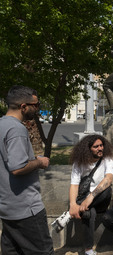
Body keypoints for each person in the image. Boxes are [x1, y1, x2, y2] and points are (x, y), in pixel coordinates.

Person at [0, 85, 54, 254]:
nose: (38, 109)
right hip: (26, 208)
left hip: (7, 208)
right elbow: (18, 167)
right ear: (24, 107)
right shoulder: (17, 129)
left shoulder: (1, 124)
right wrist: (40, 162)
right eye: (36, 105)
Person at [53, 134, 113, 255]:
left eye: (101, 145)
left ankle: (69, 215)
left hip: (100, 198)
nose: (100, 148)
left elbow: (108, 179)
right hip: (84, 198)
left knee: (107, 190)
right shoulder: (79, 162)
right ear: (88, 149)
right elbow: (74, 185)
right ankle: (88, 250)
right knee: (87, 213)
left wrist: (90, 198)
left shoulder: (107, 158)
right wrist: (72, 205)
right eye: (96, 146)